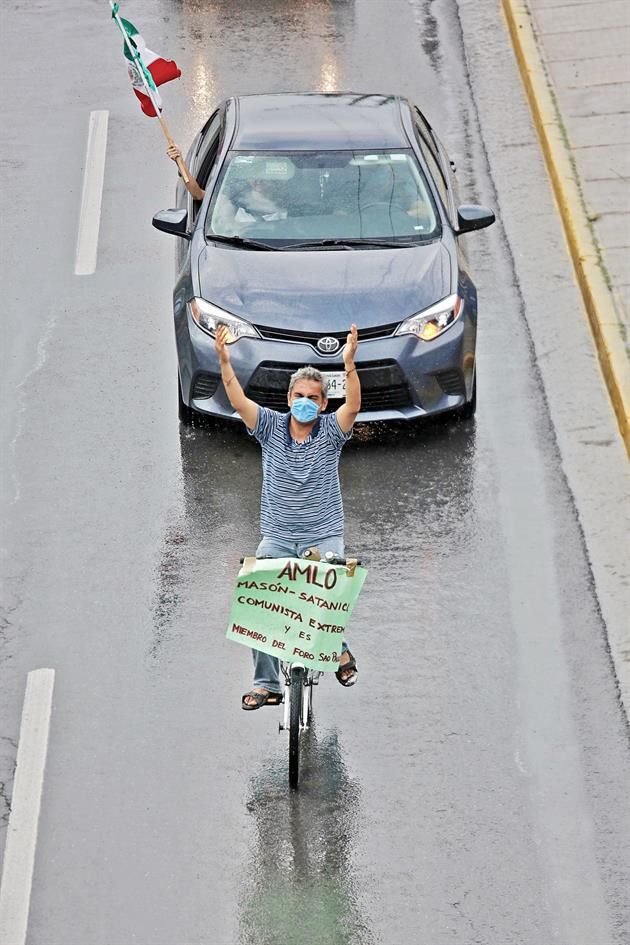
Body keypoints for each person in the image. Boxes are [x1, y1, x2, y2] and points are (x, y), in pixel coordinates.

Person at [215, 323, 361, 710]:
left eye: (313, 397)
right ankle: (267, 683)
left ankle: (338, 651)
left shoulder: (331, 432)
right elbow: (237, 400)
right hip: (278, 536)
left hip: (323, 535)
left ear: (323, 404)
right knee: (257, 597)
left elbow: (355, 407)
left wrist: (348, 365)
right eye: (299, 395)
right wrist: (224, 361)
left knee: (330, 590)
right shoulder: (269, 427)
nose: (305, 402)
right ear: (288, 397)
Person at [166, 144, 286, 226]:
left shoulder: (288, 203)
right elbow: (197, 194)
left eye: (263, 175)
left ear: (274, 177)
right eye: (252, 174)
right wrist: (180, 161)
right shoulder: (233, 195)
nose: (258, 180)